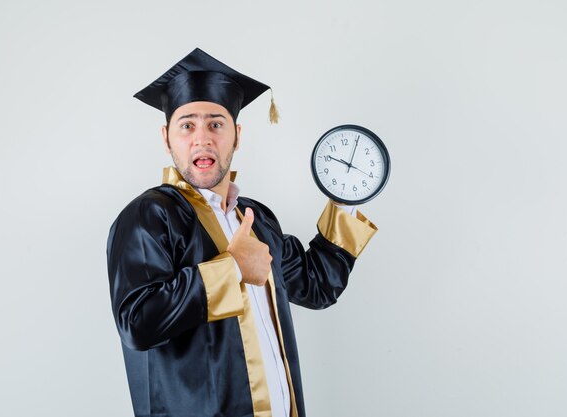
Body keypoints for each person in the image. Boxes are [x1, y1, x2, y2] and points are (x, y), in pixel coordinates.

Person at [106, 48, 377, 417]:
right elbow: (137, 322)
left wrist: (347, 195)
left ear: (237, 136)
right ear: (166, 138)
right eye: (186, 125)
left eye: (216, 124)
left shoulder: (256, 218)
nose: (202, 139)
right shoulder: (149, 216)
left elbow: (317, 285)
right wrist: (232, 268)